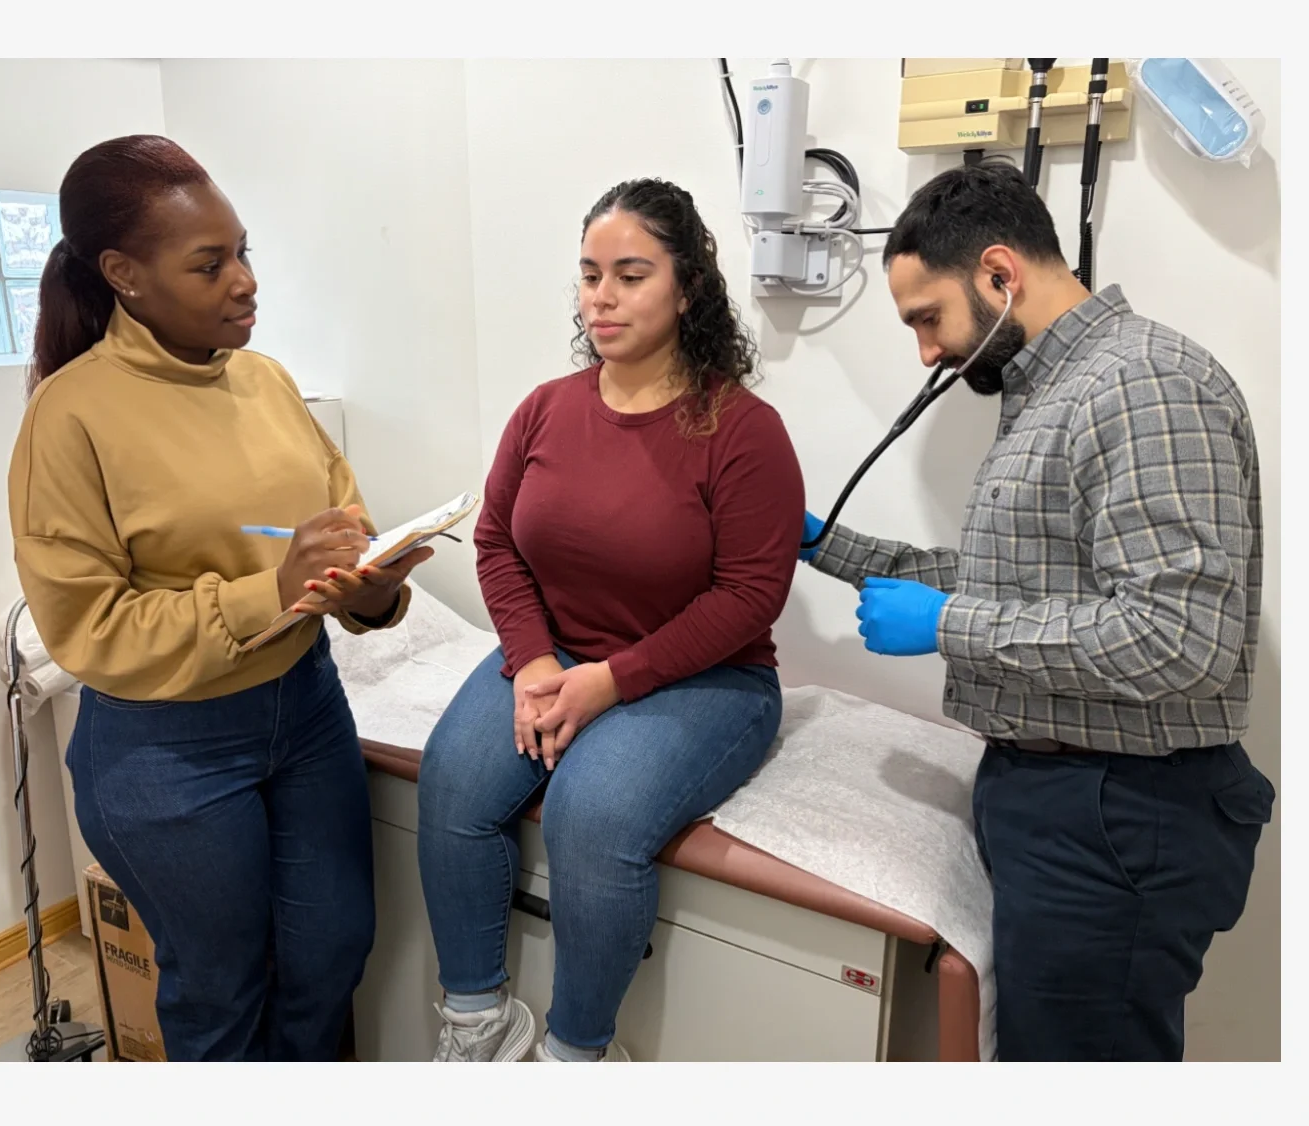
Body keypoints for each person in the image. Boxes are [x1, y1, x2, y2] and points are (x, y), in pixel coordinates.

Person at [800, 158, 1274, 1061]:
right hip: (1073, 802)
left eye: (927, 319)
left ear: (998, 274)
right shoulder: (1057, 393)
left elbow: (1182, 638)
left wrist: (944, 628)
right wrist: (829, 547)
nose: (927, 353)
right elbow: (1019, 585)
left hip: (1120, 815)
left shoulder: (1143, 386)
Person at [7, 135, 433, 1061]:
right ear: (123, 273)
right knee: (222, 991)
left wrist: (368, 590)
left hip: (307, 710)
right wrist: (268, 592)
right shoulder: (70, 416)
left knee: (331, 955)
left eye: (244, 253)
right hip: (168, 746)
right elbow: (88, 630)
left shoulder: (267, 381)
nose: (244, 281)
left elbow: (338, 524)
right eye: (211, 263)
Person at [415, 178, 805, 1062]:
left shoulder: (744, 431)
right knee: (452, 782)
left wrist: (609, 682)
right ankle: (477, 1022)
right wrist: (533, 662)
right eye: (590, 275)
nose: (603, 296)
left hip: (709, 679)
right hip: (557, 658)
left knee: (589, 815)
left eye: (631, 275)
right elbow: (496, 544)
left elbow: (749, 598)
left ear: (689, 287)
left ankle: (576, 1053)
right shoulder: (546, 410)